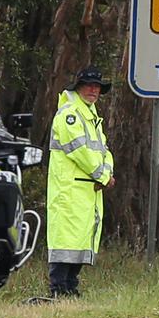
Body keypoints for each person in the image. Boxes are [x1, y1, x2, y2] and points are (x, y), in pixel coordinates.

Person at [46, 66, 115, 298]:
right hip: (70, 189)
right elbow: (80, 150)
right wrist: (103, 176)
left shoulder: (91, 115)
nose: (94, 90)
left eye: (97, 86)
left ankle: (70, 288)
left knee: (79, 240)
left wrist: (105, 174)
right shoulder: (70, 114)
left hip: (87, 189)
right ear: (78, 87)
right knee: (65, 240)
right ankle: (58, 289)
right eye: (89, 85)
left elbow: (104, 151)